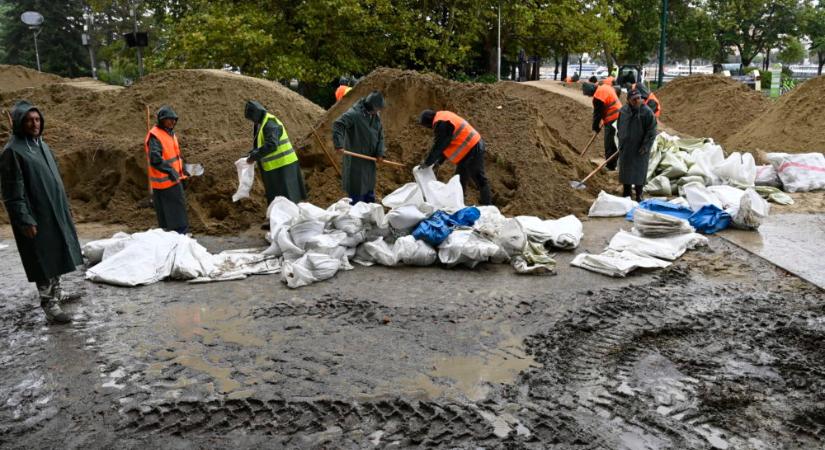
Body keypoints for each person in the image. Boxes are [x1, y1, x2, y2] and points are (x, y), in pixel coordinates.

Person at [1, 101, 83, 323]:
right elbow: (12, 193)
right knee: (42, 258)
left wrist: (65, 207)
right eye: (28, 120)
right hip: (35, 216)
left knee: (56, 253)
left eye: (37, 119)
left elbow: (54, 180)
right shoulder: (12, 152)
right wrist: (24, 219)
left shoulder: (41, 145)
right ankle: (49, 304)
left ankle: (57, 294)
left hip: (53, 211)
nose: (34, 124)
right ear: (19, 123)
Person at [418, 109, 492, 205]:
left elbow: (440, 146)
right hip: (470, 149)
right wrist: (438, 162)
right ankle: (461, 206)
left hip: (472, 148)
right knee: (460, 181)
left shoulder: (441, 123)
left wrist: (427, 162)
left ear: (428, 122)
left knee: (476, 178)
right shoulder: (443, 117)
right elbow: (446, 144)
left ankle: (487, 206)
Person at [244, 101, 307, 212]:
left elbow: (272, 145)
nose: (252, 121)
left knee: (287, 197)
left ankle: (288, 218)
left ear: (256, 114)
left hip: (283, 165)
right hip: (276, 166)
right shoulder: (263, 122)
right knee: (277, 196)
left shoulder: (270, 124)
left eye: (252, 118)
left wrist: (254, 156)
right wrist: (252, 154)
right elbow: (261, 143)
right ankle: (279, 217)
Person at [332, 91, 385, 204]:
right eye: (377, 109)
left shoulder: (375, 116)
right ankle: (357, 216)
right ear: (371, 107)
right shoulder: (354, 114)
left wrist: (380, 153)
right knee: (357, 192)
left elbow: (380, 135)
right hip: (356, 161)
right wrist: (338, 144)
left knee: (369, 189)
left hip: (370, 160)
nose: (378, 112)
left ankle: (369, 213)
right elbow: (338, 124)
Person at [144, 106, 189, 234]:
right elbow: (155, 159)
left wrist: (182, 170)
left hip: (173, 180)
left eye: (174, 120)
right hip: (166, 183)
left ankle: (176, 239)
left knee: (173, 217)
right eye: (169, 120)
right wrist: (170, 171)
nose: (172, 122)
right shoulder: (156, 136)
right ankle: (179, 240)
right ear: (161, 120)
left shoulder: (169, 133)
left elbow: (173, 156)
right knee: (176, 218)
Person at [616, 88, 657, 201]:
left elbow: (652, 131)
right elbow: (619, 126)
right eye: (634, 99)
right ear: (628, 100)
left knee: (639, 171)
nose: (638, 101)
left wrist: (645, 146)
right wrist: (621, 140)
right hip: (626, 146)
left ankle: (639, 194)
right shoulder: (623, 111)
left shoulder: (647, 112)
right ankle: (626, 192)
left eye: (639, 98)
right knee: (625, 171)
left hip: (640, 147)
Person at [583, 80, 622, 170]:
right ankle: (614, 164)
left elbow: (597, 114)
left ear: (591, 91)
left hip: (613, 119)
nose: (590, 96)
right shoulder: (605, 87)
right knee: (614, 142)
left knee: (609, 143)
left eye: (589, 95)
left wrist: (595, 127)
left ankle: (610, 166)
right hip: (620, 115)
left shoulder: (598, 96)